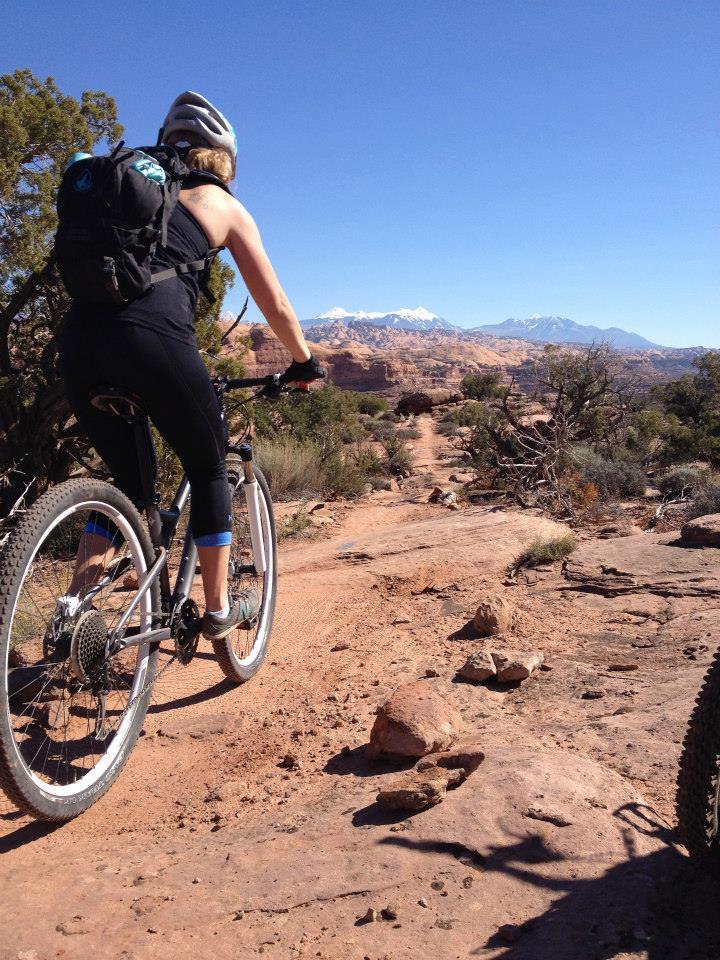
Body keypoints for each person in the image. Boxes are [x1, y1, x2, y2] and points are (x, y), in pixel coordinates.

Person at [58, 91, 324, 639]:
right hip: (153, 342)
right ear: (224, 158)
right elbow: (273, 302)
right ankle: (219, 611)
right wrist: (303, 362)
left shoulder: (123, 193)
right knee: (207, 468)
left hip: (79, 342)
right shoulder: (223, 205)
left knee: (128, 487)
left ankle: (71, 614)